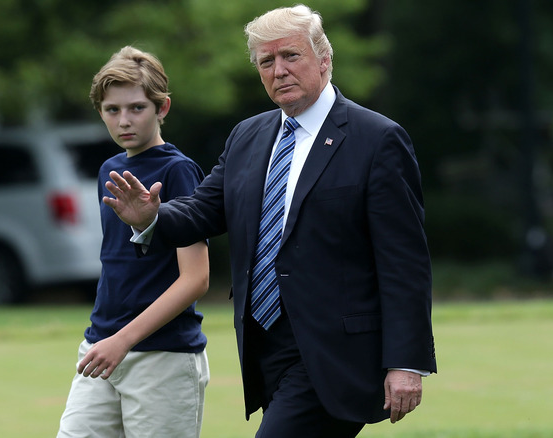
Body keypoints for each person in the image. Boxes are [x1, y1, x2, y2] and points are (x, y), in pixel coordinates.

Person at [100, 5, 436, 437]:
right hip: (264, 345)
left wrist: (406, 363)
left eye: (291, 56)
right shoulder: (248, 136)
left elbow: (404, 260)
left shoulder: (377, 139)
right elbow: (203, 210)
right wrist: (152, 218)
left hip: (337, 351)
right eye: (266, 61)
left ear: (324, 60)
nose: (279, 70)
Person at [57, 46, 210, 438]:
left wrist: (123, 340)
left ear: (163, 108)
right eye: (112, 110)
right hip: (100, 345)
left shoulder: (178, 171)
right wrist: (108, 339)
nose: (124, 120)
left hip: (163, 356)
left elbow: (196, 279)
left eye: (137, 108)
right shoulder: (110, 168)